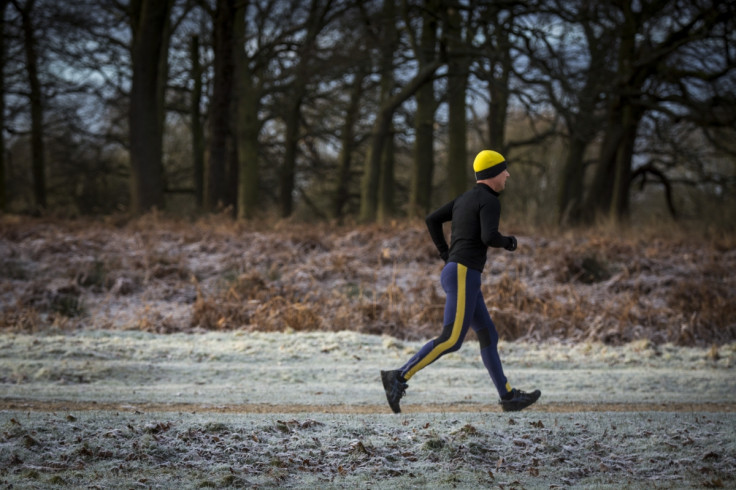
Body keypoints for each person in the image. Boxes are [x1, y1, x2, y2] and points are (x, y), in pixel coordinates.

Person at [381, 150, 541, 413]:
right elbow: (490, 237)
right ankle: (397, 377)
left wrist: (446, 254)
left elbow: (431, 219)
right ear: (493, 174)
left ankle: (508, 396)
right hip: (464, 273)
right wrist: (509, 242)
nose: (507, 174)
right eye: (504, 170)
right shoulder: (490, 201)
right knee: (452, 339)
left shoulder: (464, 198)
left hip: (460, 272)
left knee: (488, 333)